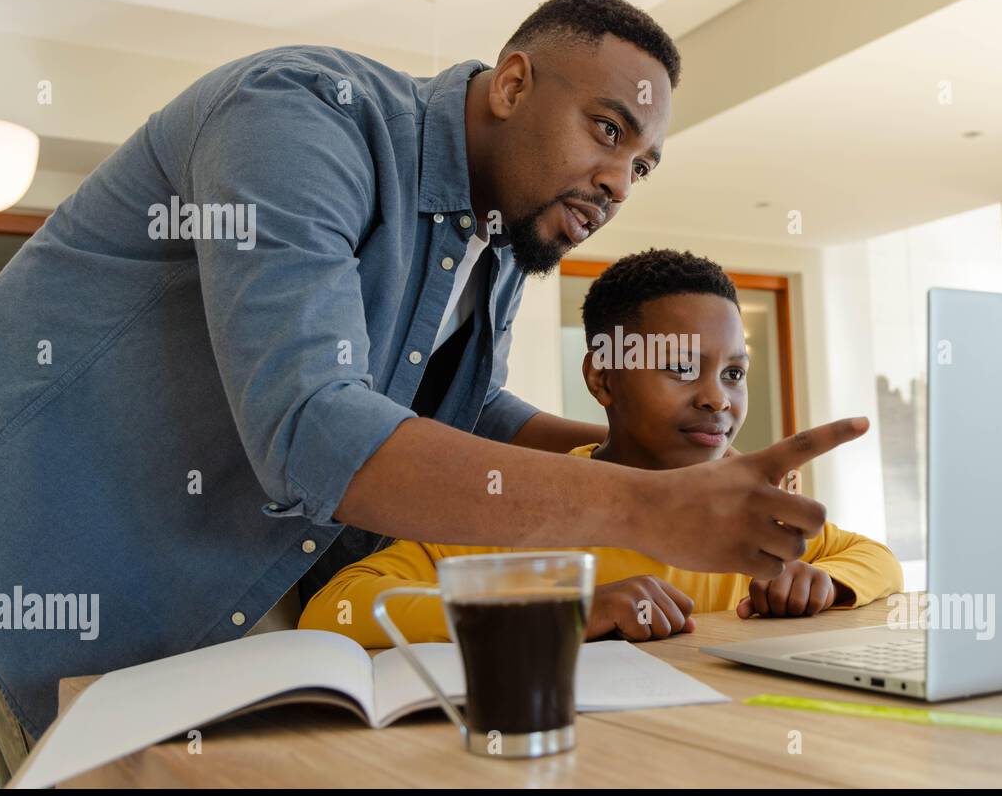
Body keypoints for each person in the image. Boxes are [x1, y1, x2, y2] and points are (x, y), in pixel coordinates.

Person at [0, 0, 867, 773]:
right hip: (34, 635)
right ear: (514, 84)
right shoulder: (298, 116)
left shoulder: (498, 245)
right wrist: (646, 509)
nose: (617, 182)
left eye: (641, 164)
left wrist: (649, 461)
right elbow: (310, 425)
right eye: (607, 129)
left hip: (195, 667)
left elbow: (468, 407)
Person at [300, 249, 901, 644]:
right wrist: (564, 610)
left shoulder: (749, 512)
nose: (718, 399)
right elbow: (339, 608)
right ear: (602, 378)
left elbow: (877, 559)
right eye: (681, 368)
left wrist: (825, 583)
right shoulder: (512, 505)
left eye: (734, 374)